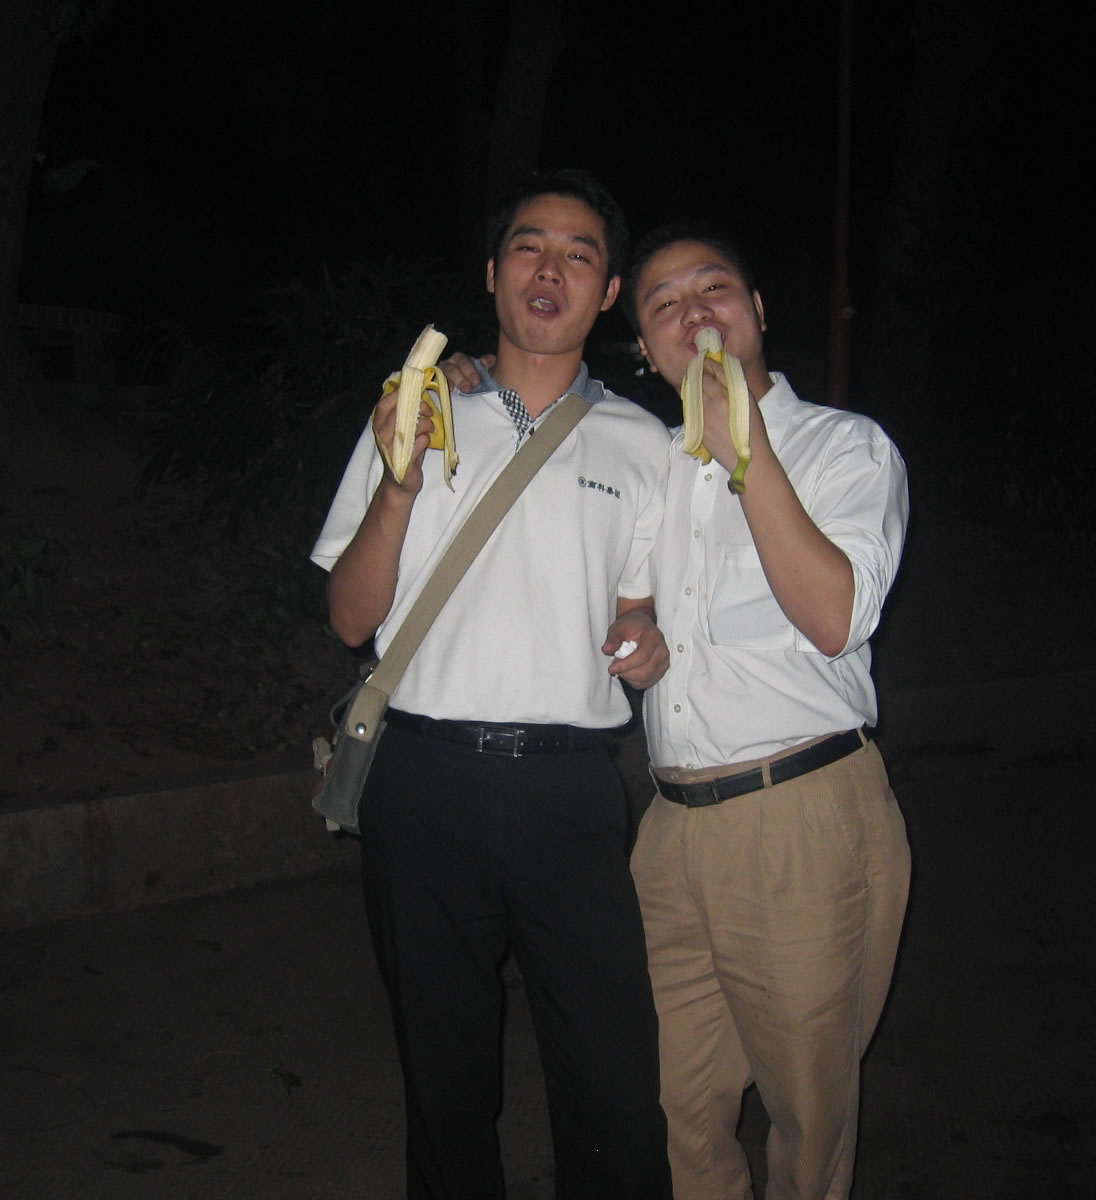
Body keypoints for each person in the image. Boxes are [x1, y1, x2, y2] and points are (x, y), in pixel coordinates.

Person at [309, 169, 673, 1199]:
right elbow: (349, 620)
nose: (550, 268)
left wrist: (644, 638)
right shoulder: (416, 408)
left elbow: (638, 609)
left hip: (572, 790)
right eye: (528, 245)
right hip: (424, 780)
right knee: (445, 1079)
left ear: (608, 293)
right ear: (491, 272)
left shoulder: (642, 444)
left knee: (611, 1077)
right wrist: (400, 482)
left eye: (580, 253)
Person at [626, 227, 911, 1200]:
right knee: (681, 1105)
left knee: (806, 1114)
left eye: (714, 288)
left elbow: (833, 617)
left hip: (799, 816)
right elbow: (627, 603)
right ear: (645, 349)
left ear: (755, 310)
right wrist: (636, 630)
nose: (694, 311)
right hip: (671, 828)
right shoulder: (649, 470)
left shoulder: (844, 447)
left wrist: (740, 446)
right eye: (665, 302)